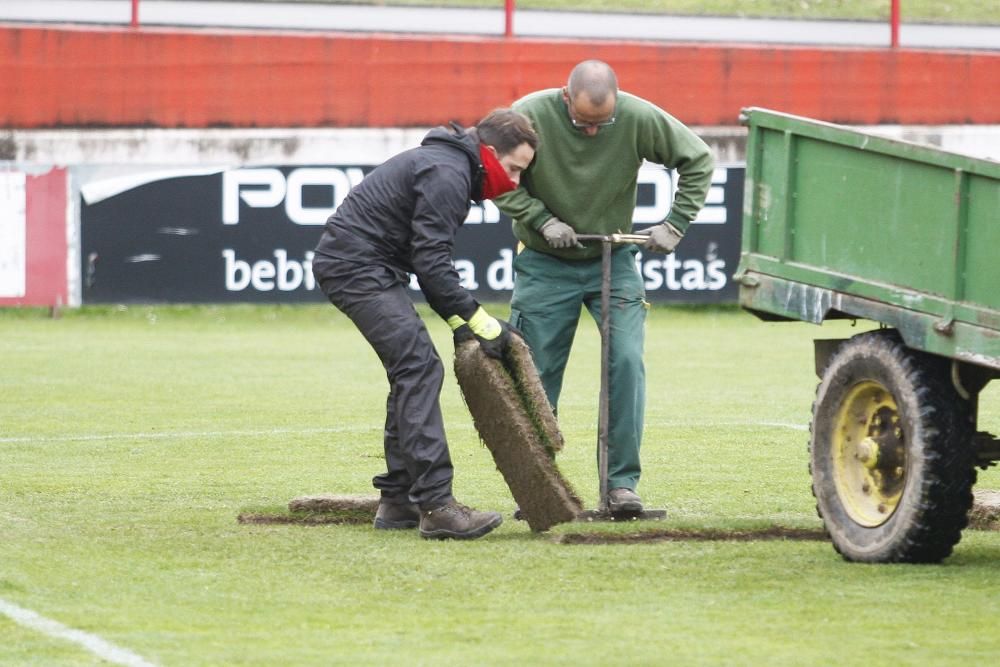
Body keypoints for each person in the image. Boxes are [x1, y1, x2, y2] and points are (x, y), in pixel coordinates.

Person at [495, 60, 714, 513]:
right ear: (565, 97)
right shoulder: (528, 115)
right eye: (582, 122)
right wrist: (539, 218)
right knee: (535, 374)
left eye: (602, 123)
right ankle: (537, 484)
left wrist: (675, 224)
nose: (593, 132)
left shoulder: (636, 117)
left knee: (627, 363)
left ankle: (620, 486)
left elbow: (699, 159)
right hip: (544, 263)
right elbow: (495, 178)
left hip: (614, 260)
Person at [312, 108, 538, 540]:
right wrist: (482, 323)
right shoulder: (448, 175)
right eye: (513, 169)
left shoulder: (450, 166)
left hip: (366, 266)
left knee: (412, 369)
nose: (514, 182)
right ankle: (436, 506)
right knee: (418, 367)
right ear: (489, 152)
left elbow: (427, 263)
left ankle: (398, 501)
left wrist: (462, 322)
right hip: (357, 267)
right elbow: (432, 264)